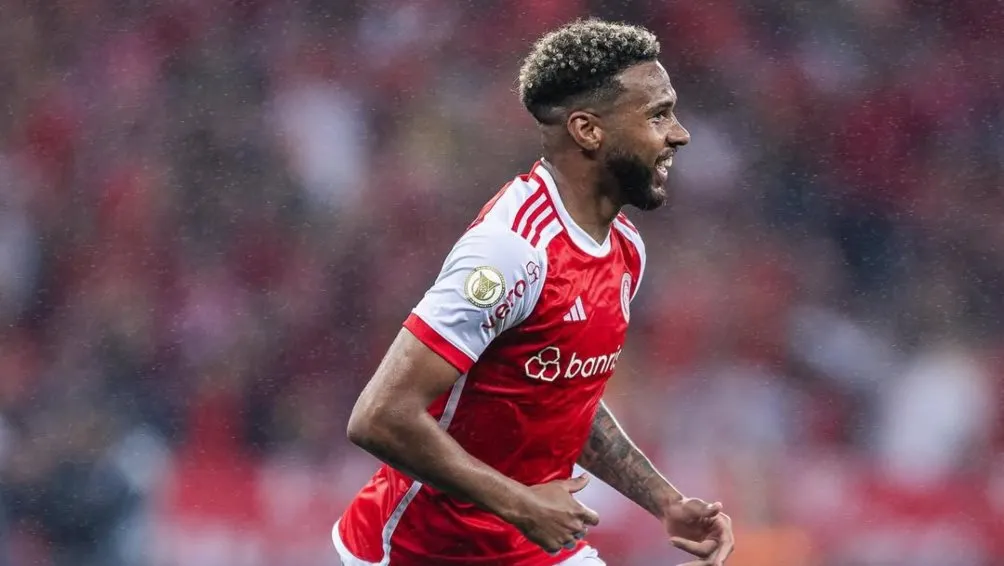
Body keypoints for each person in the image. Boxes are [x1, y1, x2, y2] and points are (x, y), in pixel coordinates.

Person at [334, 18, 735, 566]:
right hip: (417, 552)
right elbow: (379, 417)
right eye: (657, 115)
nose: (679, 134)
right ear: (587, 130)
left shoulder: (625, 247)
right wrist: (521, 505)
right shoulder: (511, 251)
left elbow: (563, 399)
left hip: (535, 545)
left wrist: (665, 502)